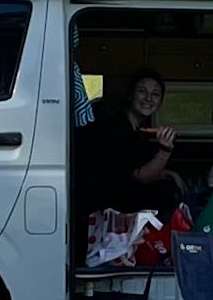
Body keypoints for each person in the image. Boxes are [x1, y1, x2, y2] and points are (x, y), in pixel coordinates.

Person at [74, 67, 189, 220]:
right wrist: (165, 151)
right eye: (142, 91)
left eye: (155, 94)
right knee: (166, 192)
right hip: (101, 204)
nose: (148, 98)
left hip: (110, 197)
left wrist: (166, 173)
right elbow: (139, 177)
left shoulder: (133, 127)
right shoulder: (116, 125)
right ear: (131, 94)